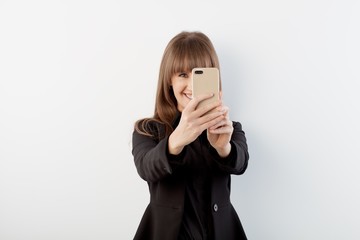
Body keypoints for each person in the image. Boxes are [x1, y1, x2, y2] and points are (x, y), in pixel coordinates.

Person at [131, 31, 249, 240]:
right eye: (183, 75)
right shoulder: (147, 129)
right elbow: (146, 168)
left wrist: (223, 148)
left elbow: (240, 163)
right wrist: (177, 139)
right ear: (169, 79)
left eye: (199, 75)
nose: (192, 86)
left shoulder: (228, 128)